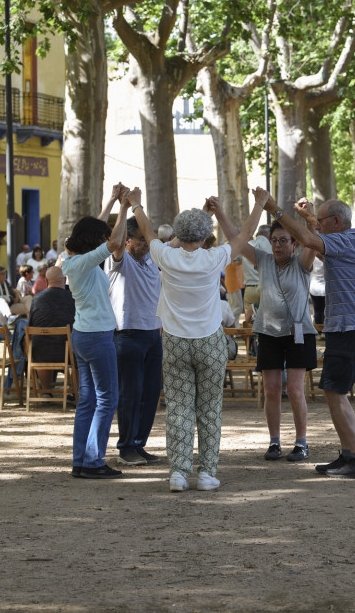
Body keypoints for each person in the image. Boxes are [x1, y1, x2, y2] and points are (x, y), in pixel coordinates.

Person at [127, 184, 265, 491]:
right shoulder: (214, 257)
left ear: (178, 233)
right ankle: (206, 473)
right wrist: (259, 203)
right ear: (205, 238)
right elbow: (245, 234)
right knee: (210, 407)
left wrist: (137, 204)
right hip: (209, 340)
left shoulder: (165, 255)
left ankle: (178, 472)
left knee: (178, 407)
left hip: (175, 340)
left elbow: (147, 230)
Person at [259, 193, 355, 479]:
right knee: (334, 391)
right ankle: (349, 454)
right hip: (347, 326)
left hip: (349, 326)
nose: (317, 225)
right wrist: (309, 217)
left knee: (335, 392)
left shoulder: (344, 241)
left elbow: (306, 238)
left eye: (321, 221)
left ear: (336, 222)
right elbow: (312, 237)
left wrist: (275, 209)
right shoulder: (349, 241)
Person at [217, 208, 316, 462]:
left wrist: (310, 219)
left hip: (298, 332)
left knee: (294, 389)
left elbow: (312, 240)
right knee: (271, 389)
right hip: (268, 332)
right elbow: (236, 238)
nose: (278, 246)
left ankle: (301, 442)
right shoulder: (264, 260)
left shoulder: (302, 263)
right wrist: (219, 212)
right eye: (274, 241)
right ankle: (274, 442)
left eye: (283, 241)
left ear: (295, 244)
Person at [60, 187, 129, 480]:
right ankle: (92, 461)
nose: (102, 241)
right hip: (98, 336)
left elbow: (96, 231)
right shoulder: (82, 263)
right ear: (92, 241)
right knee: (107, 399)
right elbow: (114, 242)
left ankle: (82, 460)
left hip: (84, 335)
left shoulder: (73, 260)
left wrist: (112, 200)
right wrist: (125, 207)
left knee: (88, 401)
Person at [99, 184, 164, 468]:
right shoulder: (119, 261)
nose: (146, 244)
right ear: (127, 241)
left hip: (153, 334)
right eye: (140, 240)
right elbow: (113, 240)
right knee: (131, 393)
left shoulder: (151, 260)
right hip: (126, 335)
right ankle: (126, 447)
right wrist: (123, 206)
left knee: (151, 394)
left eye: (146, 239)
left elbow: (170, 242)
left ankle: (139, 444)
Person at [28, 266, 76, 392]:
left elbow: (31, 323)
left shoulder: (37, 298)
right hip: (68, 352)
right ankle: (74, 389)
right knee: (80, 348)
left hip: (41, 352)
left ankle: (46, 391)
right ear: (64, 280)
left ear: (46, 281)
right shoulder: (73, 297)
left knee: (40, 342)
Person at [242, 226, 272, 322]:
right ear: (269, 235)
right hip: (265, 288)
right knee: (267, 322)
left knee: (249, 323)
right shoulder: (270, 246)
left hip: (249, 288)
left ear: (258, 234)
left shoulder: (248, 245)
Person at [309, 255, 326, 326]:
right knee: (325, 312)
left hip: (314, 288)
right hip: (325, 289)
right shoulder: (327, 257)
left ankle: (318, 329)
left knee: (317, 311)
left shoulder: (312, 256)